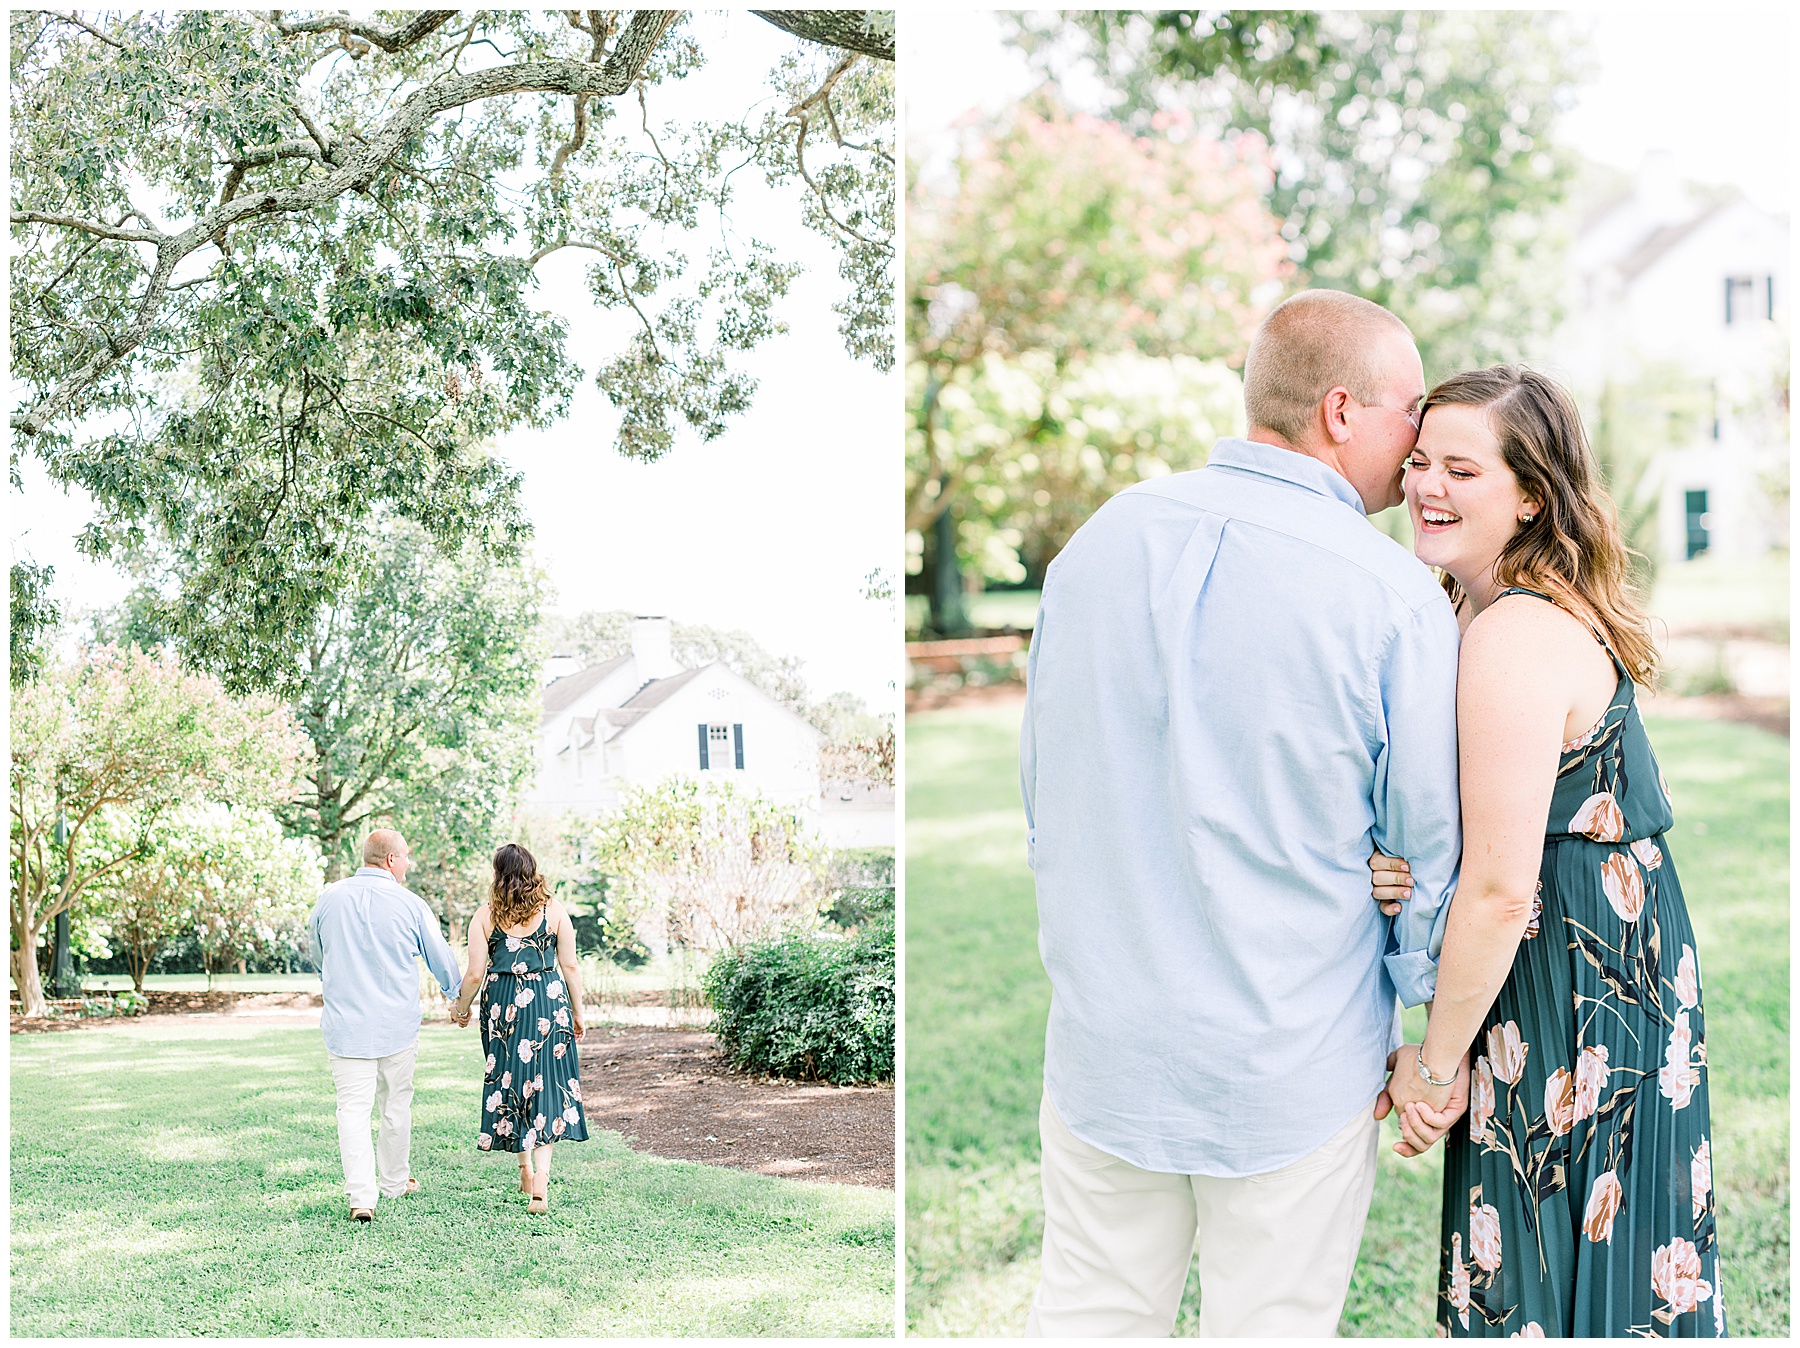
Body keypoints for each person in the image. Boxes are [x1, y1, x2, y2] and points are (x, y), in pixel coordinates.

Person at [1019, 288, 1464, 1336]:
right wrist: (1420, 1020)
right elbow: (1430, 848)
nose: (1418, 446)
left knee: (1087, 1317)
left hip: (1106, 1041)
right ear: (1344, 411)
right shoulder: (1391, 593)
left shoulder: (1094, 546)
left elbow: (1044, 798)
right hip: (1291, 1055)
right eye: (1411, 412)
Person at [1371, 366, 1726, 1337]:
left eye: (1460, 468)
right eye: (1416, 462)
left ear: (1530, 494)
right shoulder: (1474, 610)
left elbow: (1497, 889)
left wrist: (1435, 1073)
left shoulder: (1516, 628)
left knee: (1542, 1256)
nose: (1425, 486)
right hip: (1587, 954)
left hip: (1580, 976)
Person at [307, 828, 463, 1223]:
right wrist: (456, 996)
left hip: (346, 1025)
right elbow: (440, 958)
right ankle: (393, 1183)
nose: (409, 862)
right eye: (406, 855)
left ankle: (362, 1198)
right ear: (391, 860)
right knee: (396, 1106)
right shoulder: (411, 904)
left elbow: (316, 953)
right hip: (397, 1025)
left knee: (352, 1111)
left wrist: (341, 976)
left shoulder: (330, 899)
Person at [449, 843, 588, 1213]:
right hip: (548, 1000)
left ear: (497, 874)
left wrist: (460, 1008)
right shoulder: (555, 911)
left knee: (513, 1078)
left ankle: (525, 1168)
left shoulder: (485, 916)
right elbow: (570, 966)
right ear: (532, 870)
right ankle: (540, 1179)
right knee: (545, 1086)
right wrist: (578, 1012)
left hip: (502, 1004)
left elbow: (476, 972)